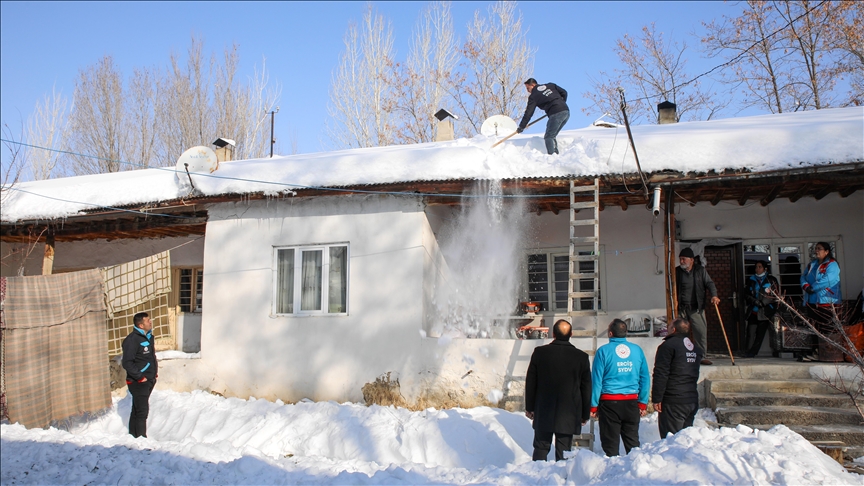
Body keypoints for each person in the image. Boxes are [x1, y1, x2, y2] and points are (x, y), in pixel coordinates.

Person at [524, 319, 592, 461]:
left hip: (544, 409)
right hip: (569, 412)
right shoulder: (581, 357)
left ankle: (537, 478)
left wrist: (530, 407)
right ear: (571, 334)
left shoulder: (540, 353)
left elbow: (531, 382)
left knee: (541, 448)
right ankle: (561, 480)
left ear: (553, 333)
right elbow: (586, 388)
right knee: (564, 450)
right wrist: (585, 414)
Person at [590, 319, 650, 457]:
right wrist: (642, 402)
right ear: (626, 332)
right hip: (631, 402)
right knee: (633, 443)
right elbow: (645, 378)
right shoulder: (637, 350)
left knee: (610, 445)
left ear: (610, 333)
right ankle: (636, 471)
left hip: (609, 403)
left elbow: (597, 380)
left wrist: (593, 405)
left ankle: (612, 474)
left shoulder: (603, 351)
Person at [652, 318, 703, 439]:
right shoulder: (695, 348)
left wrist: (657, 398)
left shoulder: (668, 346)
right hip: (691, 398)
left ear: (673, 329)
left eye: (669, 327)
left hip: (673, 400)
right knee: (685, 439)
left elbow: (661, 373)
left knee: (671, 440)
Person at [675, 247, 720, 365]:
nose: (682, 262)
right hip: (682, 307)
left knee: (700, 332)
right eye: (680, 259)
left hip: (696, 307)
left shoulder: (700, 270)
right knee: (680, 332)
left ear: (691, 260)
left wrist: (714, 296)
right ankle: (682, 356)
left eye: (684, 259)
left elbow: (709, 283)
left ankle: (701, 356)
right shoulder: (677, 272)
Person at [799, 242, 841, 361]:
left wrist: (813, 288)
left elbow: (828, 280)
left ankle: (829, 354)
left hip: (827, 301)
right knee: (814, 328)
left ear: (826, 251)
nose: (816, 251)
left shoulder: (832, 264)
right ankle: (815, 352)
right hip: (812, 302)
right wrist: (805, 286)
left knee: (827, 329)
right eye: (815, 249)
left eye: (819, 249)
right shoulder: (812, 264)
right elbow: (803, 277)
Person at [122, 312, 158, 438]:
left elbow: (150, 357)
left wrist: (154, 374)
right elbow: (127, 362)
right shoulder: (132, 340)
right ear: (141, 325)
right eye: (148, 321)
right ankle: (142, 438)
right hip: (138, 381)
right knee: (142, 411)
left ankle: (133, 436)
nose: (150, 322)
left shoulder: (149, 337)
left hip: (149, 379)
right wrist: (140, 377)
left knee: (137, 409)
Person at [516, 78, 570, 155]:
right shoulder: (551, 85)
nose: (528, 91)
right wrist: (560, 104)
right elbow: (564, 92)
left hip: (556, 113)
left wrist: (521, 126)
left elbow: (528, 113)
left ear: (533, 85)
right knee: (552, 135)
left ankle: (552, 157)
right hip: (566, 111)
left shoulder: (533, 96)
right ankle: (556, 155)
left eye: (528, 88)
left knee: (549, 137)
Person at [743, 261, 780, 358]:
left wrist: (763, 302)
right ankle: (747, 351)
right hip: (753, 310)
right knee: (750, 332)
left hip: (765, 311)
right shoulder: (751, 280)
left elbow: (774, 294)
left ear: (765, 269)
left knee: (760, 334)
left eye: (760, 267)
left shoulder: (771, 280)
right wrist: (755, 301)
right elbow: (746, 294)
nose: (757, 269)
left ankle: (753, 352)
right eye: (756, 267)